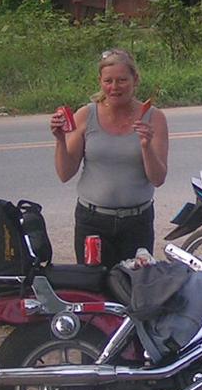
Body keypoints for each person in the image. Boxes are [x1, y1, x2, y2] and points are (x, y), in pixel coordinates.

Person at [49, 48, 169, 267]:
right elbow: (65, 173)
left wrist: (146, 146)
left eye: (122, 80)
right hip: (93, 222)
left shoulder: (153, 117)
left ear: (135, 80)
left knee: (134, 291)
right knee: (95, 292)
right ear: (100, 82)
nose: (115, 87)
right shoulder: (86, 115)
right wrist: (60, 140)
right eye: (108, 81)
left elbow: (158, 178)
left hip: (137, 222)